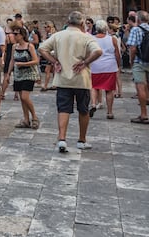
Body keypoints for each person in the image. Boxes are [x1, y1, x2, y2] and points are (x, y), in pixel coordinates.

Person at [38, 11, 102, 153]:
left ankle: (62, 139)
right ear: (81, 23)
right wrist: (85, 62)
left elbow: (42, 48)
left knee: (63, 109)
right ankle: (81, 140)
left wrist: (55, 62)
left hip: (63, 78)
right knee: (83, 110)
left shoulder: (58, 35)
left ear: (68, 22)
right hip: (81, 78)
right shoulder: (86, 37)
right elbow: (98, 52)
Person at [127, 10, 149, 124]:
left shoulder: (136, 30)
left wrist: (131, 61)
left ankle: (144, 114)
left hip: (140, 61)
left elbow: (132, 48)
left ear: (138, 19)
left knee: (141, 87)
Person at [7, 26, 40, 129]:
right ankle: (26, 119)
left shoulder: (29, 46)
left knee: (25, 96)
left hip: (29, 74)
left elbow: (36, 60)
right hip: (18, 74)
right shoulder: (14, 47)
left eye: (16, 34)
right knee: (22, 98)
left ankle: (34, 117)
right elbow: (12, 60)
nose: (14, 36)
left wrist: (24, 64)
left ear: (22, 35)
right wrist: (8, 74)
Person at [89, 19, 121, 119]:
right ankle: (109, 112)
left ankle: (93, 103)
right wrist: (118, 64)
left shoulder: (92, 39)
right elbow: (117, 53)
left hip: (96, 66)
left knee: (94, 86)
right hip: (109, 66)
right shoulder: (112, 39)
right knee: (109, 90)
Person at [39, 21, 57, 91]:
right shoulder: (49, 34)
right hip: (50, 53)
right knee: (53, 70)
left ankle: (45, 85)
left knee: (47, 70)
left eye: (46, 27)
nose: (45, 28)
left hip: (51, 54)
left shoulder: (52, 35)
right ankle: (54, 84)